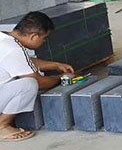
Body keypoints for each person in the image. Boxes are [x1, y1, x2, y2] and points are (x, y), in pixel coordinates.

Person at [0, 12, 74, 141]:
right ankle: (2, 126)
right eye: (44, 38)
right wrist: (62, 78)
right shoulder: (13, 49)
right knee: (29, 84)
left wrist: (55, 65)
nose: (44, 42)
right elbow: (40, 82)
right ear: (34, 36)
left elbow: (24, 61)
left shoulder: (4, 38)